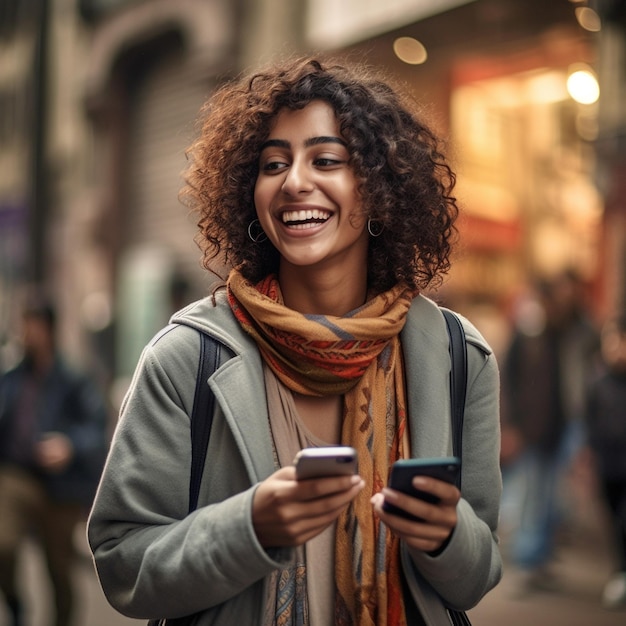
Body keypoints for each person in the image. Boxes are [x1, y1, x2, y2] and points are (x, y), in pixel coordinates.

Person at [87, 55, 502, 625]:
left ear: (379, 187)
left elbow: (480, 575)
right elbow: (122, 566)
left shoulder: (459, 356)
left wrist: (449, 537)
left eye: (326, 159)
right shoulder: (186, 355)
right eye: (273, 163)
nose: (295, 181)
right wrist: (250, 526)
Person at [0, 297, 109, 626]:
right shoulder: (12, 376)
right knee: (2, 546)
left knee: (59, 572)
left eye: (31, 326)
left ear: (48, 329)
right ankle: (15, 606)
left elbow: (97, 427)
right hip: (17, 475)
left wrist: (69, 445)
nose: (25, 334)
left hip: (60, 485)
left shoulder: (73, 378)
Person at [501, 271, 599, 593]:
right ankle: (528, 561)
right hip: (532, 428)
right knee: (532, 495)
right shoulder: (527, 332)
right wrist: (510, 424)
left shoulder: (572, 330)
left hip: (561, 428)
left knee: (551, 498)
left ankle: (538, 558)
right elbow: (508, 379)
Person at [584, 313, 626, 609]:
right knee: (613, 519)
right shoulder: (597, 376)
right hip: (608, 462)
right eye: (612, 340)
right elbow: (589, 417)